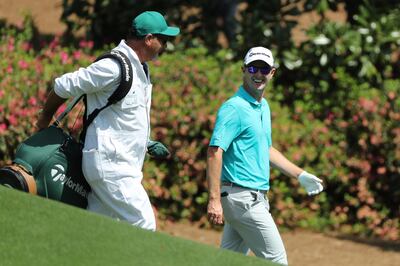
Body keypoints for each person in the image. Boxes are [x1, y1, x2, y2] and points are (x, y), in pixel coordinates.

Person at [36, 11, 180, 231]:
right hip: (112, 165)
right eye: (163, 40)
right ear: (148, 39)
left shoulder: (141, 68)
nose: (166, 46)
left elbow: (121, 116)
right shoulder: (113, 67)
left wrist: (145, 142)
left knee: (97, 231)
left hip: (120, 164)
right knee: (144, 224)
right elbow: (63, 85)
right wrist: (44, 119)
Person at [206, 46, 324, 265]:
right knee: (276, 260)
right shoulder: (234, 108)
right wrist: (214, 200)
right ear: (243, 70)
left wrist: (300, 174)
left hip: (249, 198)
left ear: (272, 72)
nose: (258, 74)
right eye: (253, 68)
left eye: (264, 69)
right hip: (243, 199)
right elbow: (215, 152)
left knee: (229, 260)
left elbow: (266, 149)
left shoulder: (263, 106)